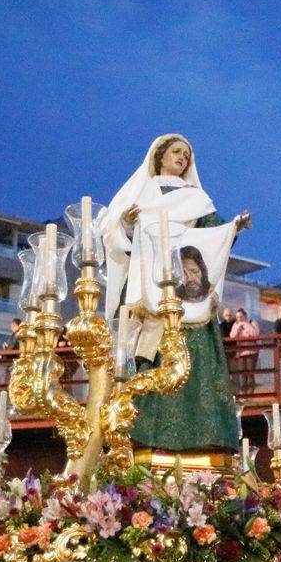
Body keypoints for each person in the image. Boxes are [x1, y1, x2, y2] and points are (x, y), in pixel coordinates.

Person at [100, 134, 251, 452]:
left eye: (187, 155)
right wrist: (126, 224)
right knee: (146, 357)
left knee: (193, 359)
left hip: (186, 296)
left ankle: (200, 439)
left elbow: (214, 233)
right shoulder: (141, 193)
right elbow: (115, 235)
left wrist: (233, 228)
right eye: (176, 152)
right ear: (159, 156)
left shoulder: (198, 199)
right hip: (147, 288)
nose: (182, 158)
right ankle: (139, 436)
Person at [228, 307, 261, 393]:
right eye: (237, 317)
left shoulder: (252, 322)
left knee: (250, 373)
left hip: (251, 351)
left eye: (241, 316)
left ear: (245, 316)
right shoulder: (235, 324)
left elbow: (255, 334)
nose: (239, 319)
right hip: (240, 351)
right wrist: (238, 327)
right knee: (242, 374)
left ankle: (250, 394)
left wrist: (246, 324)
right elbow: (232, 336)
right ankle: (243, 393)